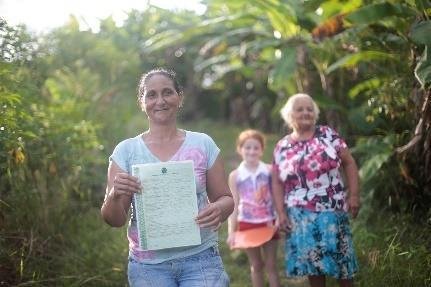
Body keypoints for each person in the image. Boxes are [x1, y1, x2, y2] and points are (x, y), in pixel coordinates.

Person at [101, 68, 234, 287]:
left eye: (167, 92)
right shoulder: (126, 152)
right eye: (151, 95)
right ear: (142, 102)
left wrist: (219, 209)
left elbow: (226, 198)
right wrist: (115, 195)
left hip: (201, 258)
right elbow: (114, 219)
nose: (160, 101)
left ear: (179, 97)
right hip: (147, 266)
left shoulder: (203, 144)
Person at [271, 93, 360, 287]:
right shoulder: (281, 147)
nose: (306, 112)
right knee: (313, 266)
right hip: (300, 215)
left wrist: (353, 196)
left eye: (309, 109)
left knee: (343, 264)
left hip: (333, 210)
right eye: (300, 109)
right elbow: (277, 182)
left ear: (315, 114)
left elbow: (349, 163)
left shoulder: (328, 135)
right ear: (289, 115)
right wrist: (280, 212)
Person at [226, 129, 281, 287]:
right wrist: (232, 232)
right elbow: (234, 204)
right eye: (247, 147)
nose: (252, 151)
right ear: (240, 149)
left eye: (256, 147)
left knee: (271, 265)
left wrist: (279, 216)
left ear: (262, 150)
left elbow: (277, 196)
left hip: (269, 222)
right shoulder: (235, 176)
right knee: (256, 265)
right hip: (247, 224)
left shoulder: (270, 171)